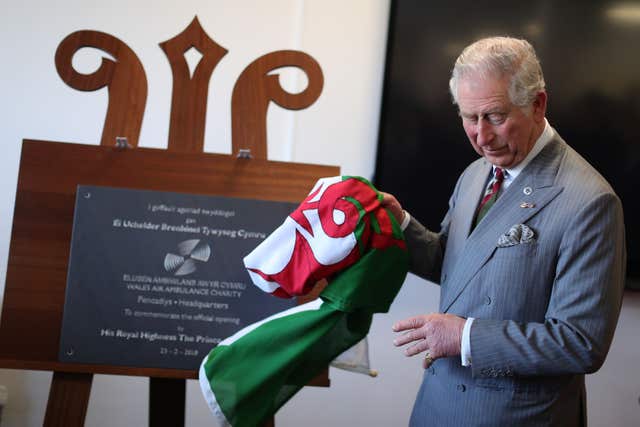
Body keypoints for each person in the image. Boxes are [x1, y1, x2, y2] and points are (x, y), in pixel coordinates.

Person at [383, 37, 626, 426]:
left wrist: (464, 338)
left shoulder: (590, 201)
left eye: (494, 116)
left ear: (538, 104)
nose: (480, 136)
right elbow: (459, 267)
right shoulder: (477, 171)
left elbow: (582, 344)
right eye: (468, 117)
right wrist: (401, 226)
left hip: (516, 416)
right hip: (437, 406)